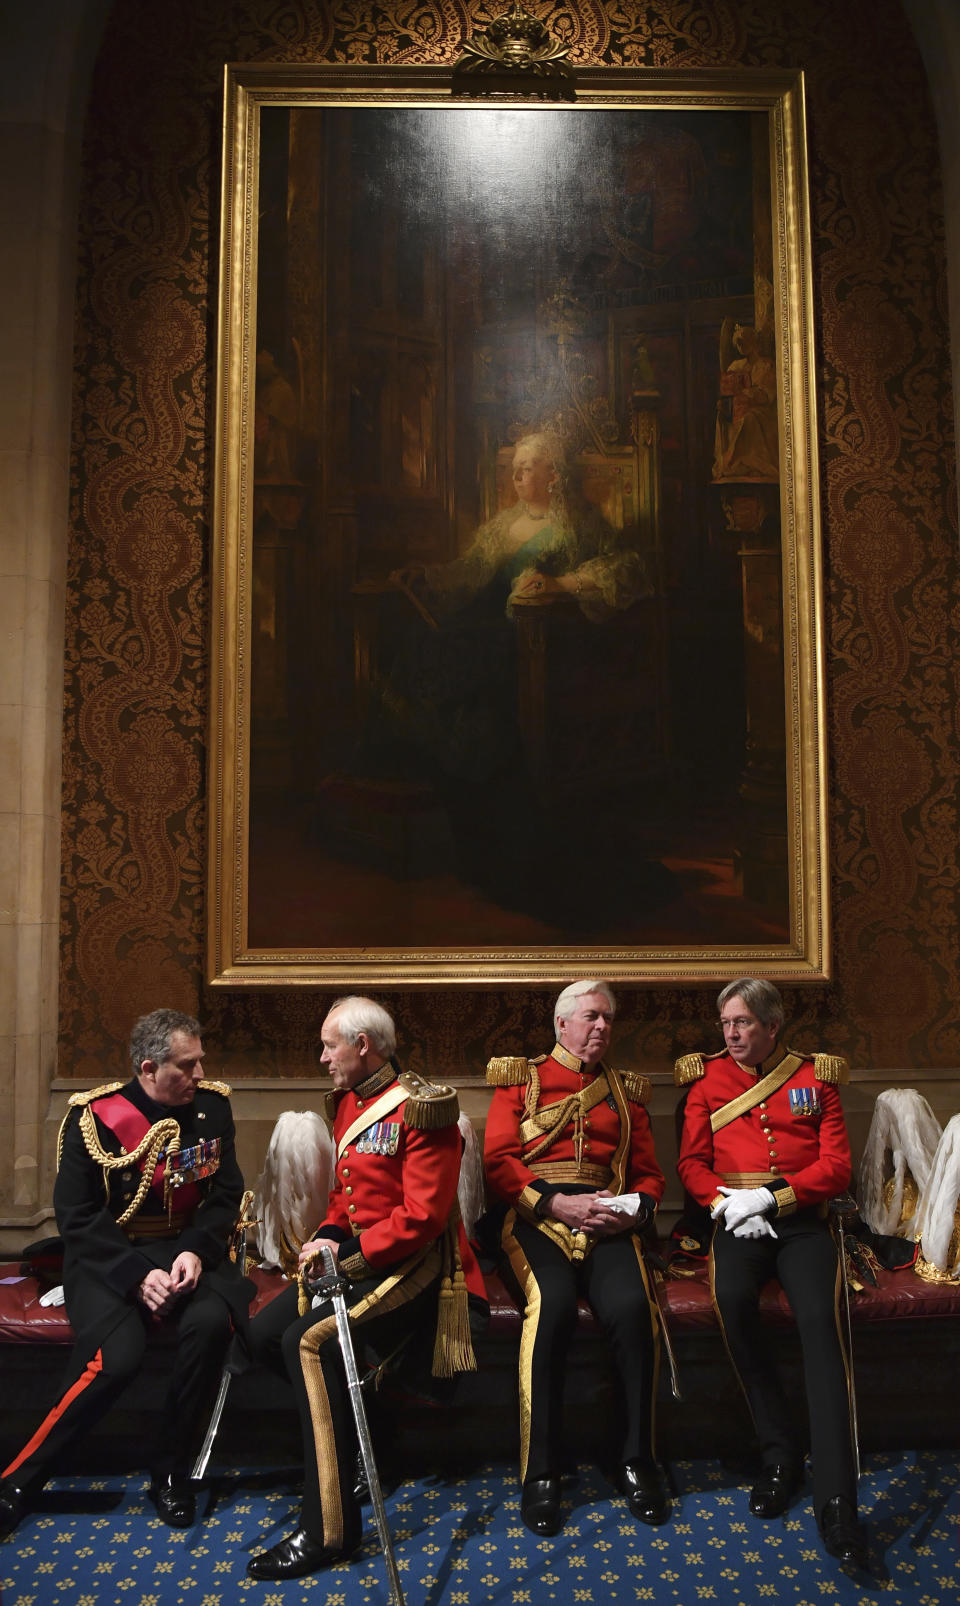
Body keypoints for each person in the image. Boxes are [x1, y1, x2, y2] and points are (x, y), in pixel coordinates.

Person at [245, 995, 485, 1581]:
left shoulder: (423, 1108)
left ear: (363, 1046)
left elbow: (424, 1219)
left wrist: (346, 1260)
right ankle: (368, 1438)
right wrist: (326, 1237)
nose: (322, 1056)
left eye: (330, 1045)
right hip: (363, 1256)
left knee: (308, 1343)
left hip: (416, 1267)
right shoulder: (352, 1099)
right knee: (260, 1337)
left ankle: (330, 1530)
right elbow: (343, 1196)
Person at [0, 1009, 247, 1537]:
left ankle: (172, 1473)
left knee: (209, 1328)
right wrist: (136, 1275)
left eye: (201, 1060)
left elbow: (225, 1195)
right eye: (188, 1064)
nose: (201, 1073)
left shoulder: (211, 1110)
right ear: (149, 1067)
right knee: (117, 1358)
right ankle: (20, 1480)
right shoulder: (93, 1118)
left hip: (185, 1253)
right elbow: (77, 1216)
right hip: (111, 1259)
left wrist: (198, 1251)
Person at [675, 978, 868, 1572]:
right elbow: (691, 1162)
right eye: (726, 1024)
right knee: (732, 1301)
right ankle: (779, 1455)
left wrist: (772, 1199)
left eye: (744, 1024)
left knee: (819, 1321)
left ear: (772, 1026)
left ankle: (838, 1499)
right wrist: (727, 1205)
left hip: (802, 1223)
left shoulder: (816, 1078)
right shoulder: (704, 1080)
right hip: (734, 1222)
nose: (732, 1034)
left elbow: (836, 1166)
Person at [483, 980, 667, 1537]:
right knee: (553, 1306)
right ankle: (541, 1472)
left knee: (634, 1309)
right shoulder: (522, 1080)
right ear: (562, 1024)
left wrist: (632, 1211)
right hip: (538, 1219)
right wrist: (556, 1202)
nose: (603, 1027)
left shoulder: (627, 1091)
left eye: (608, 1018)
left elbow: (650, 1177)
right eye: (591, 1017)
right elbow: (499, 1162)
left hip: (609, 1222)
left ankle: (636, 1459)